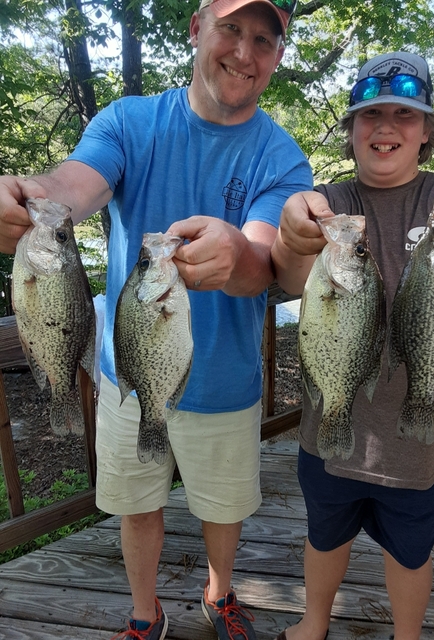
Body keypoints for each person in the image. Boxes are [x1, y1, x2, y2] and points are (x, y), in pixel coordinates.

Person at [0, 1, 312, 639]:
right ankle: (146, 614)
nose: (244, 53)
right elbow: (72, 185)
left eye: (264, 39)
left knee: (222, 511)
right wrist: (31, 197)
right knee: (135, 506)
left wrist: (240, 255)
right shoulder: (129, 122)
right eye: (230, 29)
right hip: (127, 376)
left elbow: (264, 263)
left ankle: (219, 593)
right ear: (197, 29)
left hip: (226, 382)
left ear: (278, 57)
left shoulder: (282, 158)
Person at [271, 51, 434, 640]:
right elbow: (290, 278)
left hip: (423, 445)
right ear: (351, 131)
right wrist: (291, 234)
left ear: (427, 133)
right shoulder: (327, 205)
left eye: (405, 115)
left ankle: (406, 635)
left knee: (411, 553)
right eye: (370, 115)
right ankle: (314, 623)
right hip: (332, 425)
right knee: (323, 535)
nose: (386, 126)